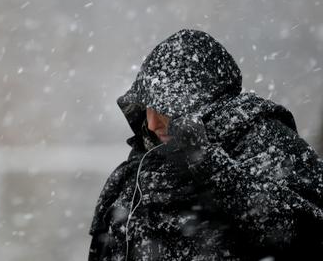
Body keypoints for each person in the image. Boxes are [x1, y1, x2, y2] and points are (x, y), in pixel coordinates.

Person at [87, 29, 323, 261]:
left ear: (203, 103)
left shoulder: (265, 143)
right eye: (147, 107)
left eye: (163, 109)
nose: (151, 123)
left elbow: (307, 235)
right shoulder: (134, 173)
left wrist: (210, 166)